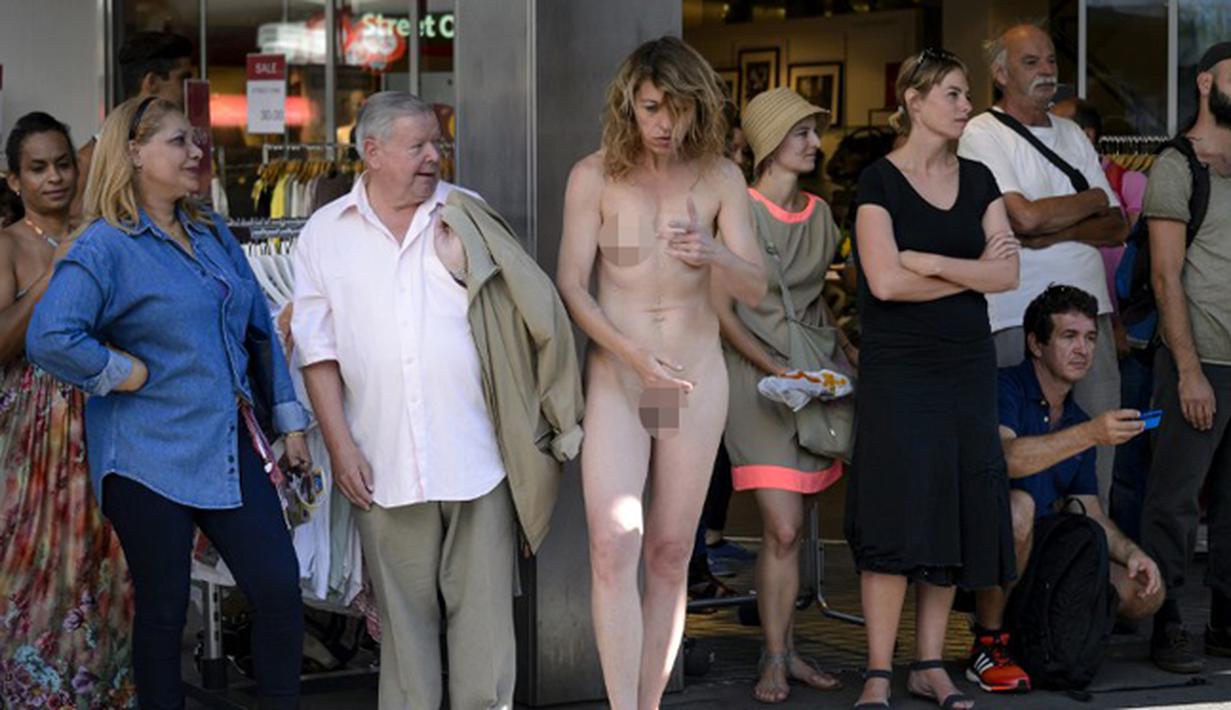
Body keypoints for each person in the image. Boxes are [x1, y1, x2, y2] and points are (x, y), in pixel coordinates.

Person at [292, 90, 583, 709]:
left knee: (484, 629)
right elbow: (317, 353)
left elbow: (525, 317)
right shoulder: (324, 234)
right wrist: (341, 450)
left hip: (478, 457)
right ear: (371, 152)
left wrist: (463, 268)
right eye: (417, 145)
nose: (433, 157)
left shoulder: (467, 214)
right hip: (382, 461)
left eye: (437, 144)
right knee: (403, 631)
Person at [26, 96, 312, 709]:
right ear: (133, 153)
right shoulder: (103, 245)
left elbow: (258, 327)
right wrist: (119, 372)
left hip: (227, 444)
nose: (196, 152)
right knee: (162, 607)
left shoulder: (209, 231)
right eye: (180, 141)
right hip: (143, 456)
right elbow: (50, 336)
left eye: (195, 141)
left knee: (279, 591)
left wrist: (289, 421)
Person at [557, 36, 766, 709]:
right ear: (628, 104)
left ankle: (646, 705)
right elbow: (571, 285)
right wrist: (627, 352)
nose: (663, 124)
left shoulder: (719, 178)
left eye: (676, 109)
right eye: (651, 107)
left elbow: (757, 286)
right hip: (622, 376)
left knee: (671, 552)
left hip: (690, 376)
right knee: (613, 542)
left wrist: (713, 254)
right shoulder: (593, 176)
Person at [846, 48, 1019, 710]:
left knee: (951, 505)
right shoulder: (878, 182)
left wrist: (927, 259)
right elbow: (883, 282)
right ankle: (876, 674)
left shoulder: (978, 180)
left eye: (964, 92)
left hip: (963, 365)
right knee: (896, 506)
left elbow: (1005, 276)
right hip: (901, 368)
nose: (963, 103)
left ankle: (927, 665)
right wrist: (960, 267)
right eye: (950, 92)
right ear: (913, 100)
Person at [957, 24, 1129, 510]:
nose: (1047, 71)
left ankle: (1089, 561)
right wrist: (1085, 203)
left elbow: (1116, 224)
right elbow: (1021, 217)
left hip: (1088, 316)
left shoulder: (1072, 133)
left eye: (1051, 60)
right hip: (1018, 315)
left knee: (1099, 447)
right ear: (1000, 72)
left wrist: (1052, 230)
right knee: (1018, 458)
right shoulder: (981, 133)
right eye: (1031, 62)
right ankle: (1018, 573)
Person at [717, 86, 849, 703]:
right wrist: (773, 366)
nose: (815, 144)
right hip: (753, 379)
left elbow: (815, 301)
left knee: (794, 530)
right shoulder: (735, 209)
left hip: (809, 378)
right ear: (770, 142)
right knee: (783, 523)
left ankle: (790, 651)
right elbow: (718, 310)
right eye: (801, 134)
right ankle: (773, 658)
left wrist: (835, 363)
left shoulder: (821, 214)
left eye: (813, 133)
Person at [967, 285, 1165, 694]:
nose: (1083, 349)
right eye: (1068, 336)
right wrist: (1091, 434)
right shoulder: (1007, 386)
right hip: (973, 554)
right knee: (1018, 507)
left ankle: (1052, 635)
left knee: (1145, 594)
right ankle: (989, 642)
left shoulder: (1078, 417)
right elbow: (1007, 458)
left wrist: (1133, 554)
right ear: (1036, 344)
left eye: (1091, 338)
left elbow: (1090, 511)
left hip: (1040, 555)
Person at [0, 112, 135, 708]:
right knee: (30, 577)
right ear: (13, 181)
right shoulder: (7, 245)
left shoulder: (105, 235)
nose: (54, 177)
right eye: (37, 168)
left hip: (106, 428)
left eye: (63, 163)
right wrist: (56, 275)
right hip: (30, 445)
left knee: (110, 573)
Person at [1139, 41, 1231, 675]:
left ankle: (1225, 624)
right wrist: (1190, 368)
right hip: (1198, 361)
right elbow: (1167, 277)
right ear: (1206, 83)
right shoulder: (1178, 164)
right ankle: (1165, 621)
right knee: (1173, 499)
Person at [73, 31, 195, 218]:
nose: (189, 91)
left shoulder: (185, 157)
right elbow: (72, 232)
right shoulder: (89, 161)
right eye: (183, 80)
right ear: (152, 81)